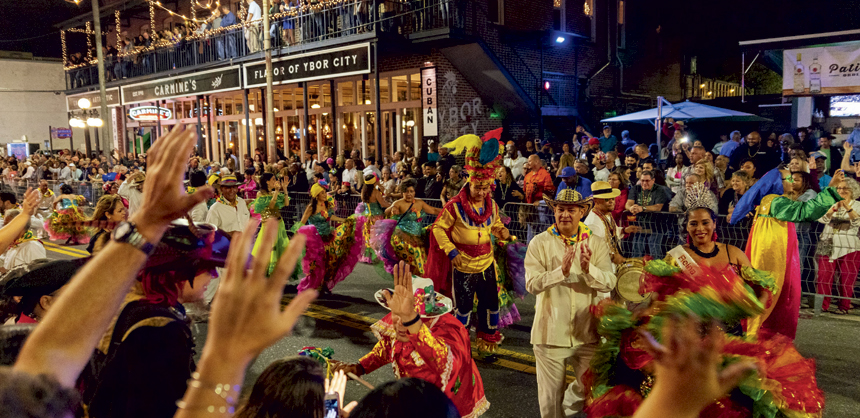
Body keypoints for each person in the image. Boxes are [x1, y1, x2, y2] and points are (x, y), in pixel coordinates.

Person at [586, 201, 825, 418]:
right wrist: (640, 315)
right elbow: (662, 297)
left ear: (714, 224)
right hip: (691, 340)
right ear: (687, 228)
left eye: (705, 222)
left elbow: (763, 288)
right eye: (693, 224)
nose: (700, 228)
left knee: (736, 395)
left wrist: (753, 308)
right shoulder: (677, 257)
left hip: (729, 337)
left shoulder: (734, 253)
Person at [82, 220, 230, 418]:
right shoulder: (159, 328)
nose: (213, 276)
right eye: (206, 268)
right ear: (176, 271)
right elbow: (168, 406)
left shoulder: (132, 304)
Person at [333, 262, 489, 418]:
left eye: (409, 316)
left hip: (445, 404)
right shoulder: (399, 322)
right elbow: (387, 347)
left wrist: (411, 320)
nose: (400, 323)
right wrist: (359, 367)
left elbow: (443, 360)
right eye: (397, 314)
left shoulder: (450, 330)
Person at [525, 188, 616, 418]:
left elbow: (609, 282)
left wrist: (588, 270)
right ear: (554, 210)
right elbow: (532, 284)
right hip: (549, 334)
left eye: (571, 210)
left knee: (594, 389)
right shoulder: (539, 242)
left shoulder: (595, 243)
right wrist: (560, 272)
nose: (565, 214)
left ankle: (569, 402)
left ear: (582, 212)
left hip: (587, 332)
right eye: (560, 209)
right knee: (550, 403)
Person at [730, 168, 843, 339]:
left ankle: (758, 334)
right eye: (788, 178)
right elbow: (806, 211)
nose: (792, 180)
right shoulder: (776, 202)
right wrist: (831, 190)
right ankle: (756, 337)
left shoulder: (769, 202)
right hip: (772, 254)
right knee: (770, 293)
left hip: (769, 251)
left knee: (769, 293)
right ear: (777, 183)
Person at [294, 180, 366, 293]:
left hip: (328, 237)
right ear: (316, 195)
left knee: (329, 262)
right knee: (316, 265)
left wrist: (345, 220)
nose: (325, 194)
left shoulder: (326, 205)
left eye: (324, 192)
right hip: (315, 241)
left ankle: (324, 284)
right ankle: (314, 285)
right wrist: (299, 236)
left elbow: (331, 217)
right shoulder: (310, 208)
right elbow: (302, 222)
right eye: (322, 193)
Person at [815, 176, 860, 314]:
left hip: (850, 247)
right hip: (828, 243)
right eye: (839, 188)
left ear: (852, 190)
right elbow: (821, 219)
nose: (841, 191)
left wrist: (846, 206)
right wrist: (833, 209)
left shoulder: (857, 205)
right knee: (823, 277)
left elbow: (857, 222)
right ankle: (821, 306)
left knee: (847, 278)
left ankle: (844, 306)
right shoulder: (831, 203)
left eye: (845, 188)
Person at [584, 182, 639, 266]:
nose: (611, 202)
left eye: (612, 199)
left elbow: (611, 233)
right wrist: (613, 257)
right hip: (601, 268)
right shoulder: (593, 224)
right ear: (596, 201)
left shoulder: (606, 214)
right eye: (606, 199)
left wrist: (625, 230)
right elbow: (593, 251)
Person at [624, 171, 672, 258]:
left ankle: (656, 271)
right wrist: (631, 208)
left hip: (656, 227)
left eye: (647, 181)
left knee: (655, 254)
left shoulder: (660, 190)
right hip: (639, 226)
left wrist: (642, 208)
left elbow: (658, 207)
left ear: (653, 180)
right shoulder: (636, 188)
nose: (644, 183)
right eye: (642, 180)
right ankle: (636, 270)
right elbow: (628, 203)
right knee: (636, 253)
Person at [251, 173, 291, 276]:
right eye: (273, 179)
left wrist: (285, 189)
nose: (276, 181)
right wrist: (276, 192)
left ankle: (276, 276)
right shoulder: (260, 194)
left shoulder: (274, 193)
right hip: (268, 227)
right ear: (267, 181)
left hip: (279, 224)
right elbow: (271, 206)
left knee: (279, 250)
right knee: (269, 250)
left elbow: (286, 203)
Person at [358, 173, 390, 264]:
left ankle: (367, 257)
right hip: (377, 218)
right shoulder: (375, 192)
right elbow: (383, 204)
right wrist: (393, 205)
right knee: (377, 238)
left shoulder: (363, 192)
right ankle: (377, 256)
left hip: (367, 217)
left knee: (368, 237)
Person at [206, 175, 252, 239]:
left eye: (234, 187)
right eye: (228, 188)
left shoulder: (241, 202)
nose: (232, 190)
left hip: (244, 244)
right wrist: (228, 234)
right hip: (226, 247)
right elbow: (209, 232)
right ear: (221, 189)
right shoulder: (215, 209)